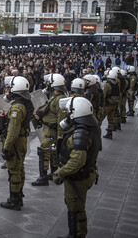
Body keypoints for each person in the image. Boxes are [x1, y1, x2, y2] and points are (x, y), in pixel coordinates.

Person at [53, 97, 100, 238]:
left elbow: (77, 161)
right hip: (82, 174)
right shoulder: (88, 127)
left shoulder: (80, 133)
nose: (67, 115)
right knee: (74, 206)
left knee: (76, 208)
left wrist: (60, 173)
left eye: (69, 112)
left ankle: (77, 235)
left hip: (77, 177)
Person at [0, 76, 33, 211]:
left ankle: (14, 200)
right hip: (22, 140)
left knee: (14, 170)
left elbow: (12, 131)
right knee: (19, 168)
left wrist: (6, 148)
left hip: (16, 142)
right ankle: (18, 196)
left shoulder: (17, 108)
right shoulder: (25, 102)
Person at [32, 73, 68, 186]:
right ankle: (53, 172)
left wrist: (60, 134)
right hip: (48, 128)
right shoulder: (55, 96)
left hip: (52, 130)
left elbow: (60, 118)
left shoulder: (60, 99)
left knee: (44, 150)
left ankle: (43, 177)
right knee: (52, 151)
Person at [101, 70, 120, 139]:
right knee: (111, 119)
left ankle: (97, 133)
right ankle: (110, 133)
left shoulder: (107, 85)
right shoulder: (117, 84)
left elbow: (103, 95)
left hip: (107, 105)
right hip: (114, 104)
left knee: (100, 119)